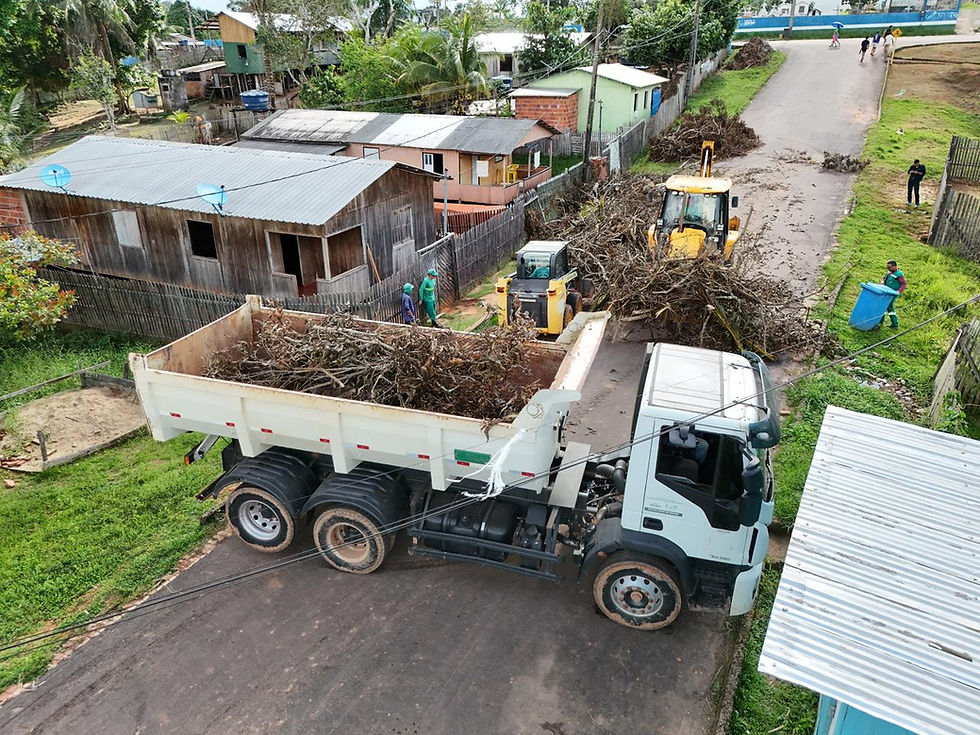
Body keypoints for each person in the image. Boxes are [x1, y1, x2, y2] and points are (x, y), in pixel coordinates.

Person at [881, 260, 907, 328]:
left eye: (889, 267)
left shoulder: (899, 274)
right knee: (883, 305)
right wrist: (882, 281)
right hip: (886, 291)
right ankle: (881, 321)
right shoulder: (890, 272)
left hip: (893, 293)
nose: (888, 269)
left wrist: (898, 291)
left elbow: (904, 284)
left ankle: (894, 324)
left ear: (895, 266)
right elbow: (884, 277)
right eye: (887, 268)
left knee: (889, 306)